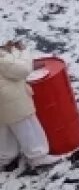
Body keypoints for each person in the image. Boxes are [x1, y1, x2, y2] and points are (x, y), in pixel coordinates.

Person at [0, 41, 57, 172]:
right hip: (12, 99)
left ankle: (6, 158)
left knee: (5, 130)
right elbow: (23, 70)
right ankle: (37, 156)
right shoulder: (3, 60)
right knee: (27, 127)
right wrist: (20, 52)